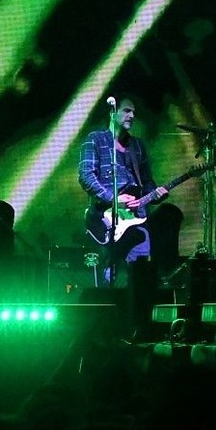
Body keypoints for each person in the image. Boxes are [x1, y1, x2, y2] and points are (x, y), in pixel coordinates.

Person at [77, 96, 181, 309]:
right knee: (108, 273)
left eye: (133, 112)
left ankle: (138, 318)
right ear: (112, 113)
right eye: (126, 111)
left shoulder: (137, 146)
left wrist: (155, 193)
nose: (132, 116)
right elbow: (86, 176)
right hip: (107, 217)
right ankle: (105, 316)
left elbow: (147, 181)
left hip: (137, 219)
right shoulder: (95, 139)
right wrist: (113, 198)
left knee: (141, 273)